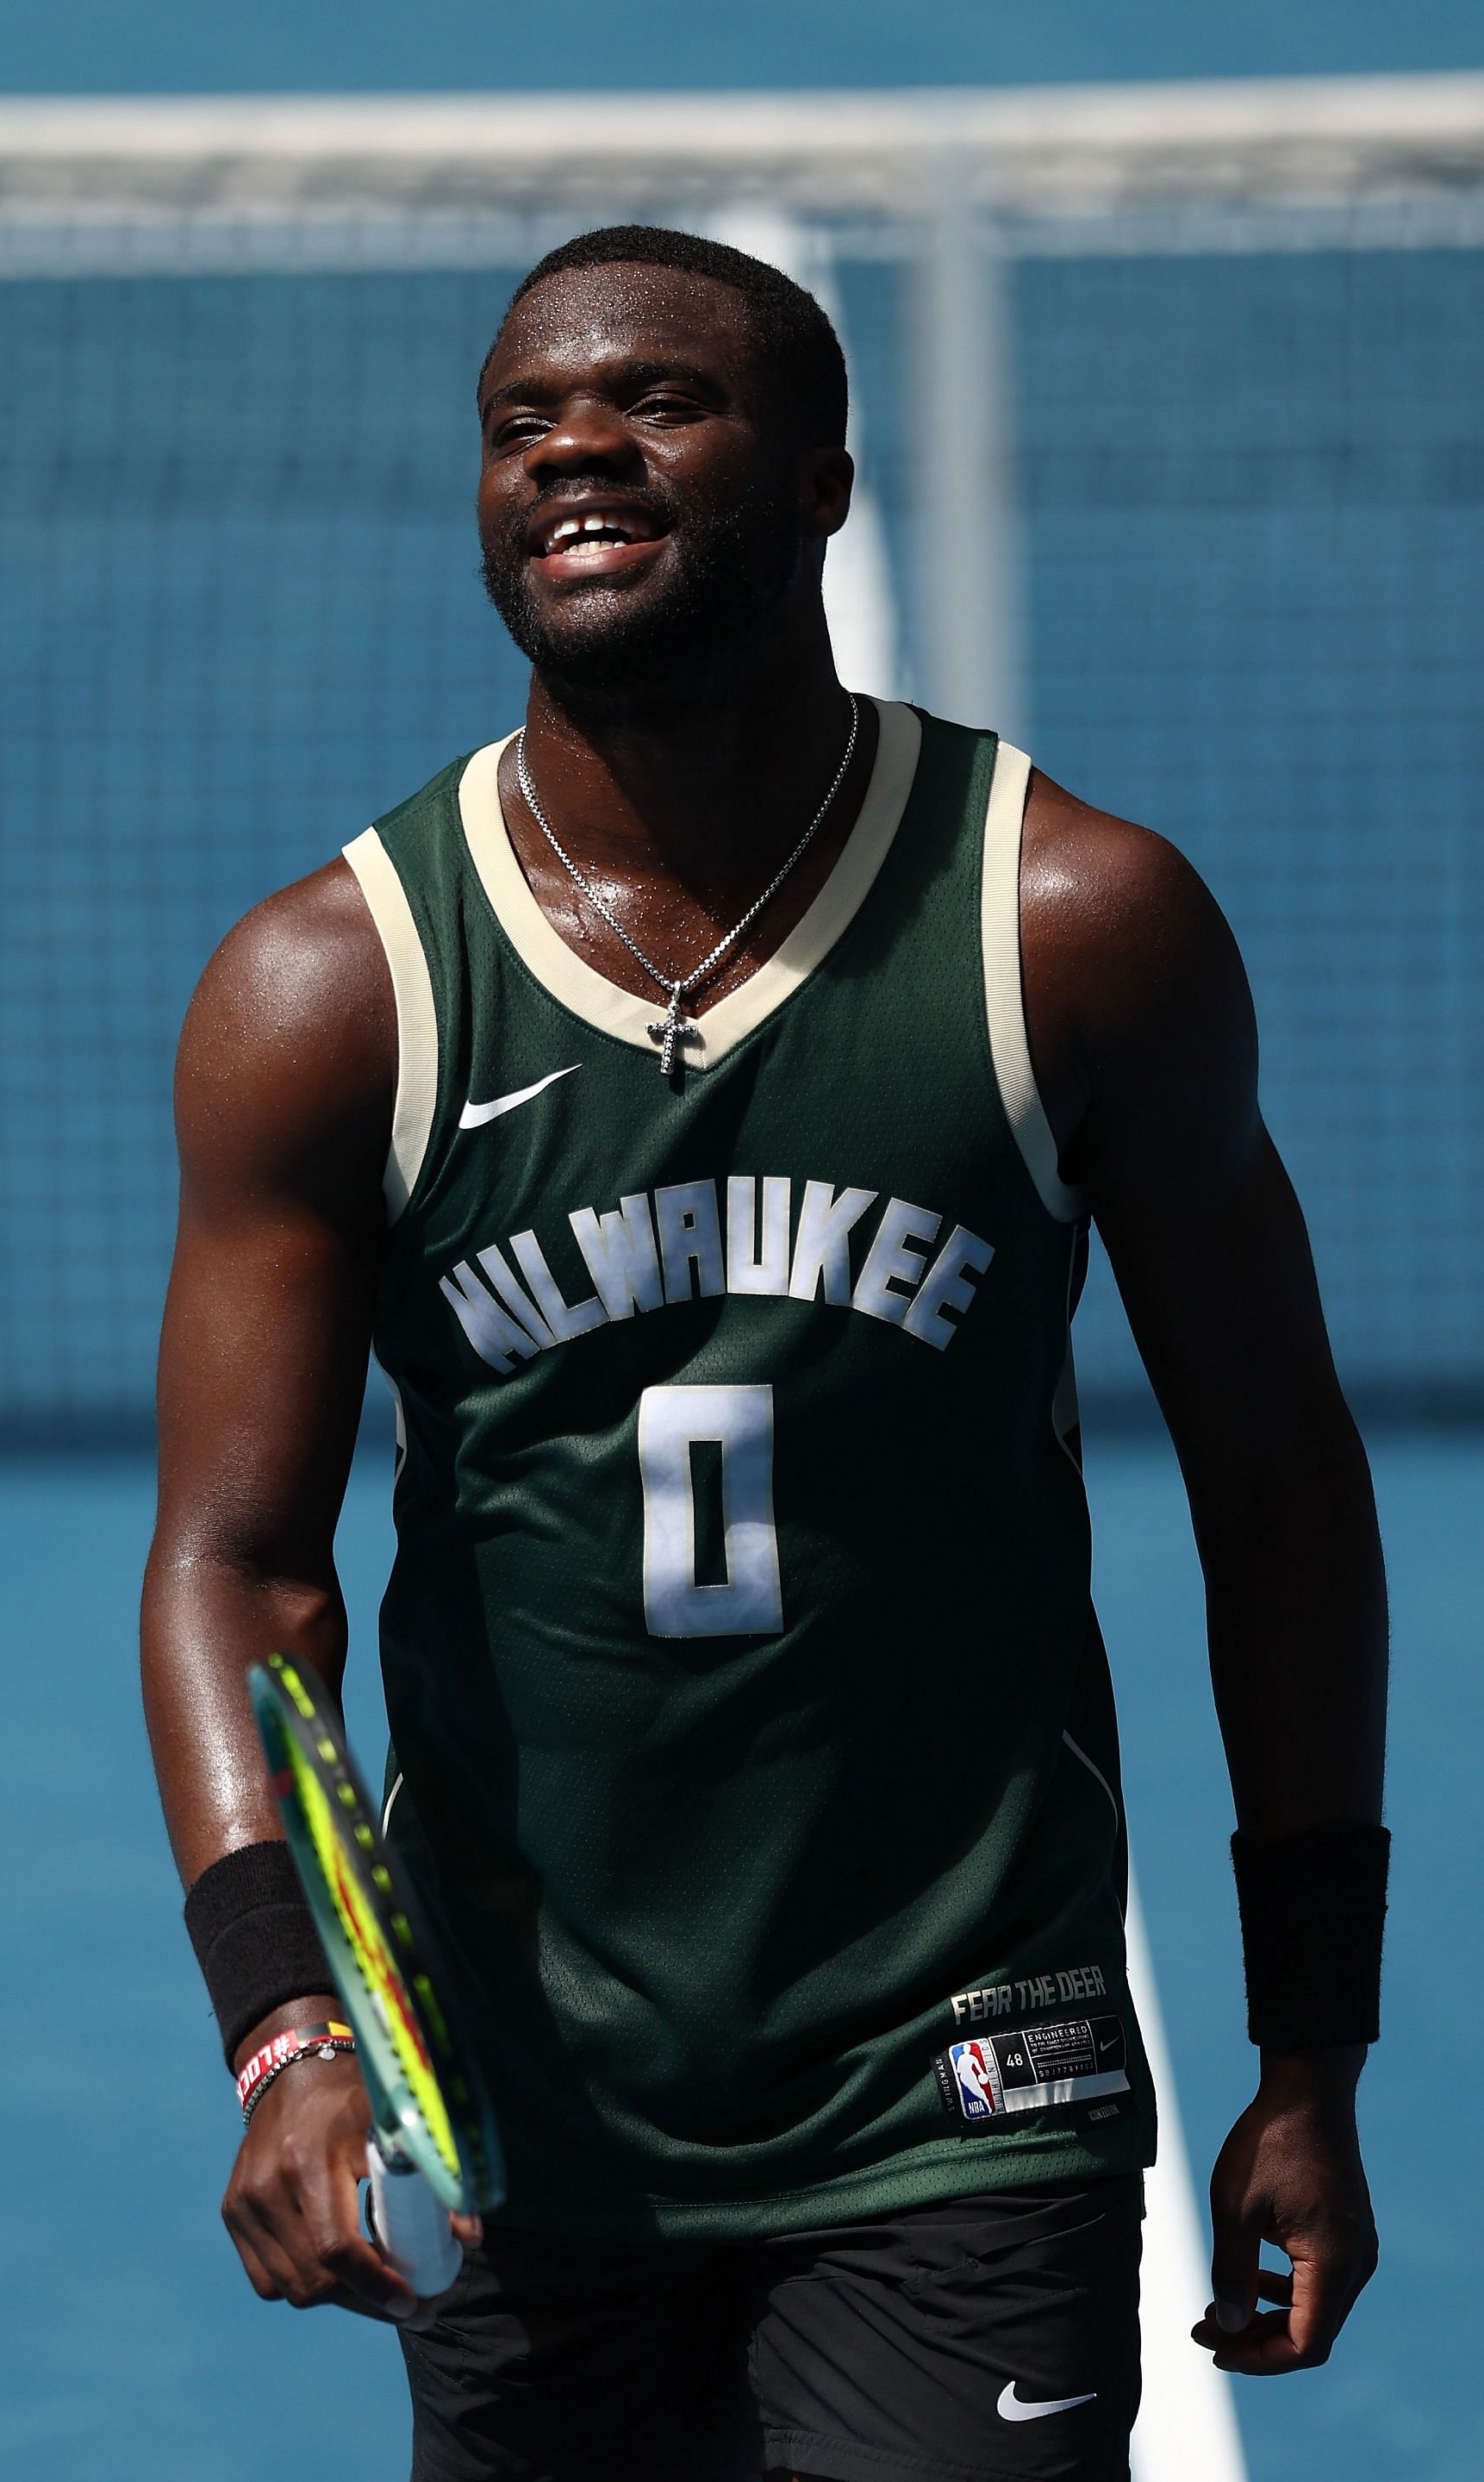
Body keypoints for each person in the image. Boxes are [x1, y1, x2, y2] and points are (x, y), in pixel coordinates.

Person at [141, 227, 1388, 2482]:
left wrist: (1313, 2055)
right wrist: (282, 2024)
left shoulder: (1071, 930)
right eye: (525, 423)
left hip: (963, 2075)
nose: (577, 454)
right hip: (534, 2095)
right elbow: (238, 1561)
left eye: (656, 404)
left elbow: (1280, 1483)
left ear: (826, 482)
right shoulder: (335, 992)